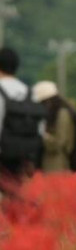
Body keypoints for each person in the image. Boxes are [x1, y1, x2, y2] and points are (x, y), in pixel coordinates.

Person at [0, 46, 43, 181]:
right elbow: (41, 127)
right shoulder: (30, 92)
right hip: (24, 158)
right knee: (17, 198)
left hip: (3, 156)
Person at [32, 81, 75, 173]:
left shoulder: (62, 114)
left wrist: (42, 135)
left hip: (57, 167)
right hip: (50, 165)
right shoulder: (54, 115)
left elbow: (58, 143)